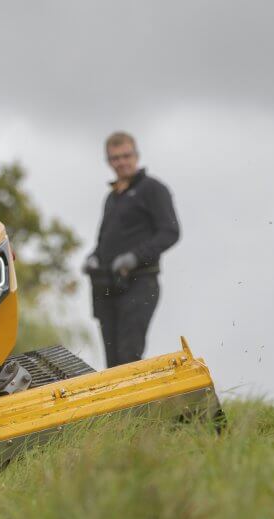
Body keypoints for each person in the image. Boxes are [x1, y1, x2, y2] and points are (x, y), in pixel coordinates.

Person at [83, 131, 180, 368]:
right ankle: (121, 406)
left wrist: (135, 257)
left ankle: (139, 405)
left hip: (140, 284)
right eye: (115, 158)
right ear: (109, 162)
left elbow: (170, 232)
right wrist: (94, 257)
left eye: (126, 156)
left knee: (129, 355)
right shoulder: (112, 197)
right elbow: (104, 239)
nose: (122, 162)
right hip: (106, 286)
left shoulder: (153, 189)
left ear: (136, 156)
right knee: (112, 361)